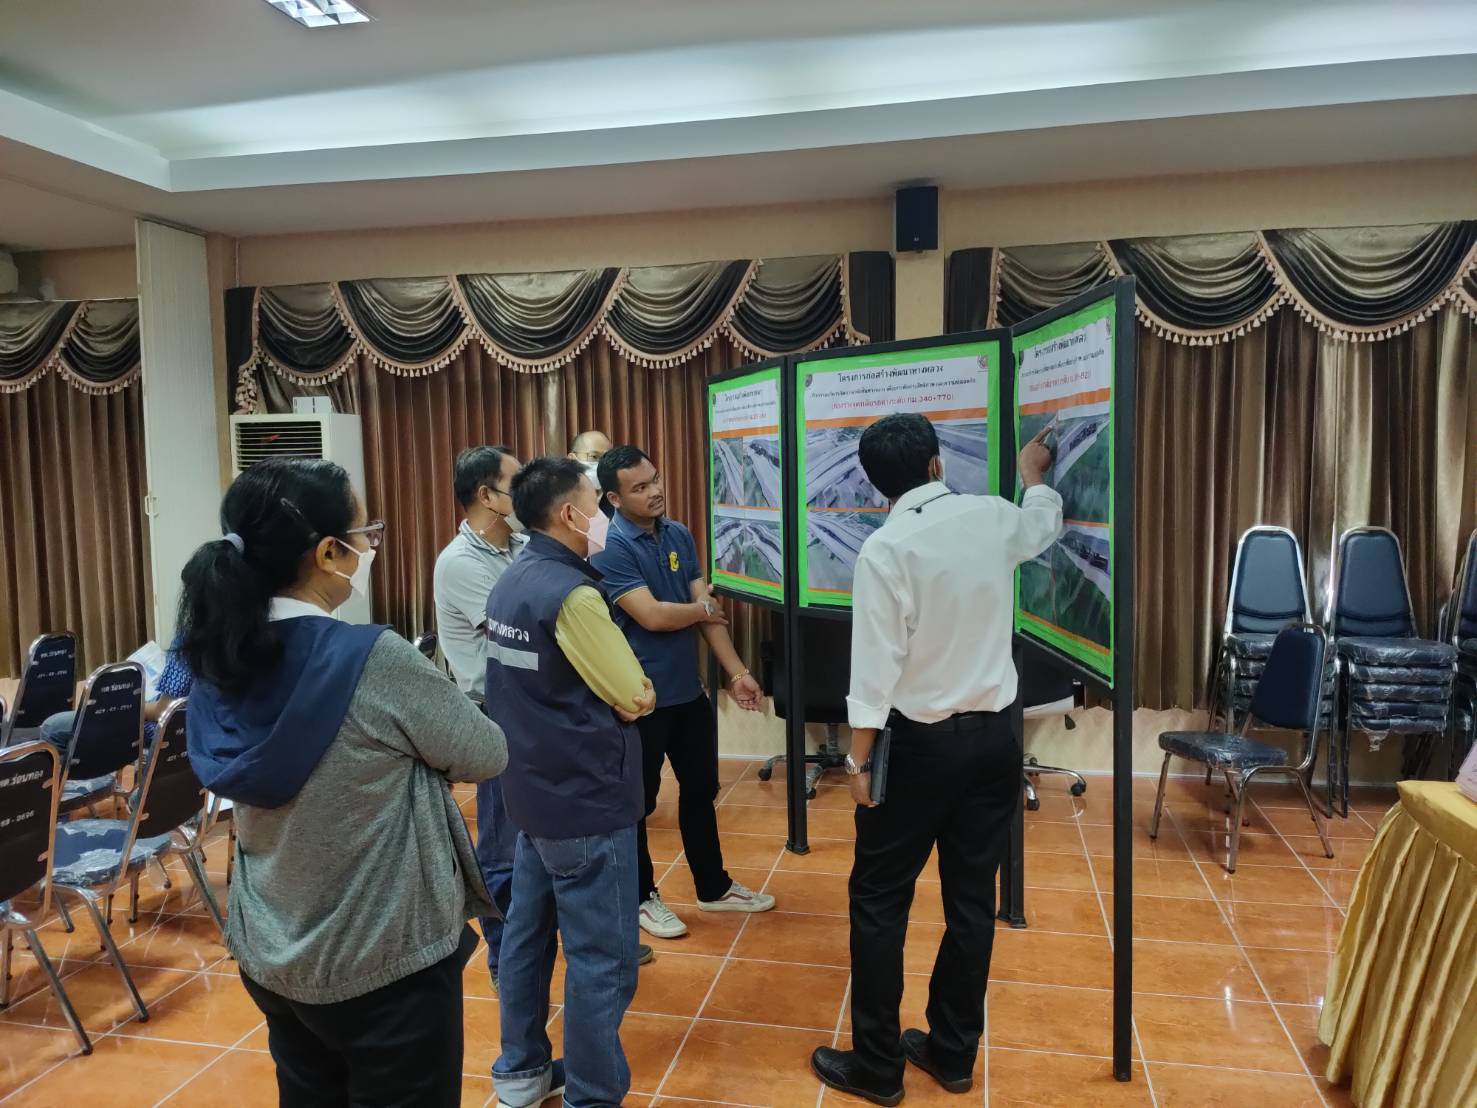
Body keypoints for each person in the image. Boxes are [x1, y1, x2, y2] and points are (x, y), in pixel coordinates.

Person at [181, 457, 508, 1108]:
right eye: (366, 533)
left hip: (273, 946)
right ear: (330, 552)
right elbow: (485, 752)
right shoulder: (369, 658)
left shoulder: (221, 651)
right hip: (382, 959)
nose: (370, 546)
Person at [810, 414, 1062, 1105]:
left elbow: (874, 670)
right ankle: (952, 1054)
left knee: (879, 901)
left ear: (876, 485)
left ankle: (877, 1067)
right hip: (995, 742)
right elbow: (1041, 524)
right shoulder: (992, 515)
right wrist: (1033, 476)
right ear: (935, 464)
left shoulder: (886, 548)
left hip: (917, 748)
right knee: (971, 902)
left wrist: (857, 766)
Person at [484, 457, 656, 1108]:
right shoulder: (573, 595)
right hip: (585, 800)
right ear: (568, 514)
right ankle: (592, 1096)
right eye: (596, 502)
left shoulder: (512, 579)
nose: (605, 514)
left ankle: (521, 1074)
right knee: (602, 962)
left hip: (529, 793)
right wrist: (635, 693)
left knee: (526, 941)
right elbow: (633, 694)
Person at [593, 445, 773, 941]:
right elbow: (653, 615)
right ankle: (640, 897)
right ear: (614, 498)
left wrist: (738, 673)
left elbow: (704, 614)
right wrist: (700, 607)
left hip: (687, 693)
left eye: (654, 479)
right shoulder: (610, 545)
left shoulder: (676, 533)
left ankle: (713, 887)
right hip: (639, 698)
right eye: (640, 487)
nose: (655, 491)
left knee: (701, 789)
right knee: (638, 802)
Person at [433, 445, 526, 992]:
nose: (527, 491)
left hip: (529, 707)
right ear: (488, 496)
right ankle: (504, 963)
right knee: (502, 846)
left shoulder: (521, 544)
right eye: (517, 482)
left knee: (537, 835)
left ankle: (535, 945)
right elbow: (522, 629)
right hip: (495, 713)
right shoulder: (460, 562)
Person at [39, 641, 193, 748]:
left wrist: (127, 707)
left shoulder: (189, 640)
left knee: (52, 727)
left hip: (165, 731)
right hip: (188, 730)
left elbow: (163, 712)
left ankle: (72, 783)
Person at [568, 430, 614, 518]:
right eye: (594, 456)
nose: (601, 463)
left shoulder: (617, 502)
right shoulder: (558, 500)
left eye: (606, 458)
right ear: (572, 460)